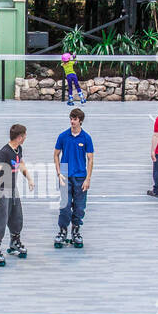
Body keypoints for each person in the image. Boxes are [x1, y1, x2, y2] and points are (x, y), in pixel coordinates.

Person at [0, 123, 35, 266]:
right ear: (20, 137)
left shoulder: (18, 149)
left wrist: (28, 177)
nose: (26, 137)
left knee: (17, 217)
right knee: (0, 220)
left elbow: (20, 162)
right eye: (25, 135)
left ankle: (14, 242)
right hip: (1, 190)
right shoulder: (4, 152)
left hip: (13, 189)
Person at [53, 107, 94, 250]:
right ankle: (62, 231)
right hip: (65, 174)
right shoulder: (63, 136)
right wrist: (59, 173)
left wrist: (88, 179)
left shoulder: (86, 138)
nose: (72, 121)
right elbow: (56, 155)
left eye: (75, 119)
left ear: (80, 121)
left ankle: (76, 231)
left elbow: (90, 160)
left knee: (79, 207)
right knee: (64, 207)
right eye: (71, 118)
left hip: (80, 176)